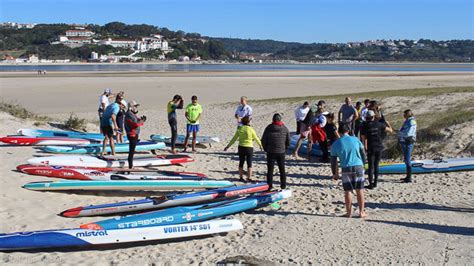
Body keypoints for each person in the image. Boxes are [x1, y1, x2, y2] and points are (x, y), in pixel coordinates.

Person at [330, 124, 367, 218]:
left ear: (339, 132)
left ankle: (349, 213)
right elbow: (363, 153)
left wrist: (335, 174)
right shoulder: (355, 139)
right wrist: (364, 164)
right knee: (360, 190)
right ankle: (361, 212)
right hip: (358, 166)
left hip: (346, 168)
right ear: (348, 130)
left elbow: (333, 161)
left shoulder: (336, 144)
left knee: (348, 191)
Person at [360, 110, 393, 189]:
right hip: (379, 147)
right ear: (373, 116)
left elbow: (363, 139)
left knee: (371, 166)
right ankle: (375, 183)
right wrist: (388, 124)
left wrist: (365, 147)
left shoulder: (364, 126)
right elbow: (390, 130)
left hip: (371, 147)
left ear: (366, 118)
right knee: (376, 165)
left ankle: (371, 183)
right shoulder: (379, 124)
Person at [225, 116, 263, 182]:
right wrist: (261, 145)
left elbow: (234, 139)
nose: (251, 122)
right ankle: (249, 177)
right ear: (248, 122)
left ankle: (241, 177)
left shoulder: (240, 128)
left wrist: (228, 146)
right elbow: (256, 138)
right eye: (250, 120)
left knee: (241, 162)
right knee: (249, 163)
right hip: (249, 148)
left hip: (241, 147)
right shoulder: (251, 129)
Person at [262, 113, 290, 190]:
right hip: (281, 152)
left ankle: (269, 186)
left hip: (271, 152)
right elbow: (288, 141)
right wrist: (285, 148)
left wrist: (266, 149)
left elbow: (263, 140)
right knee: (282, 170)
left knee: (270, 170)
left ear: (273, 120)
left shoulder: (269, 128)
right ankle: (283, 186)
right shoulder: (284, 128)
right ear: (280, 120)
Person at [125, 100, 146, 169]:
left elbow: (137, 121)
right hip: (132, 135)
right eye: (135, 106)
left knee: (132, 151)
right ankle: (130, 166)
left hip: (134, 134)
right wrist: (142, 121)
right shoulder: (129, 114)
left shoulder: (131, 113)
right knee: (131, 151)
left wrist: (142, 120)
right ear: (131, 107)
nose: (136, 107)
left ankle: (131, 165)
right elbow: (135, 124)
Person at [398, 109, 417, 183]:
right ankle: (407, 176)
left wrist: (399, 133)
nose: (403, 115)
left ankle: (409, 178)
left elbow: (408, 133)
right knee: (406, 159)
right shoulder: (407, 121)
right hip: (404, 141)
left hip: (408, 142)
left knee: (408, 159)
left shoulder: (412, 121)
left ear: (408, 114)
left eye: (404, 114)